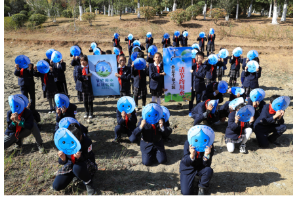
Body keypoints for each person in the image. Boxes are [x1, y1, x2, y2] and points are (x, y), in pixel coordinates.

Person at [52, 123, 97, 195]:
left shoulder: (87, 142)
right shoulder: (66, 142)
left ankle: (88, 183)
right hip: (70, 165)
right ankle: (76, 176)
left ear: (81, 137)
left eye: (75, 141)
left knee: (77, 168)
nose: (72, 144)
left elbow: (89, 157)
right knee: (56, 186)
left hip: (85, 165)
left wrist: (80, 157)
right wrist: (63, 159)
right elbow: (62, 161)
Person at [189, 51, 207, 117]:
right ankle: (190, 110)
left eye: (201, 58)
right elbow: (189, 76)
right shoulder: (192, 65)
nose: (199, 59)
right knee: (191, 100)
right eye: (198, 57)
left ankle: (196, 111)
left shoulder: (204, 66)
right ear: (195, 57)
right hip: (192, 86)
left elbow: (202, 75)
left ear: (203, 59)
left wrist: (193, 72)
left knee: (198, 99)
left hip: (199, 86)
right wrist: (190, 85)